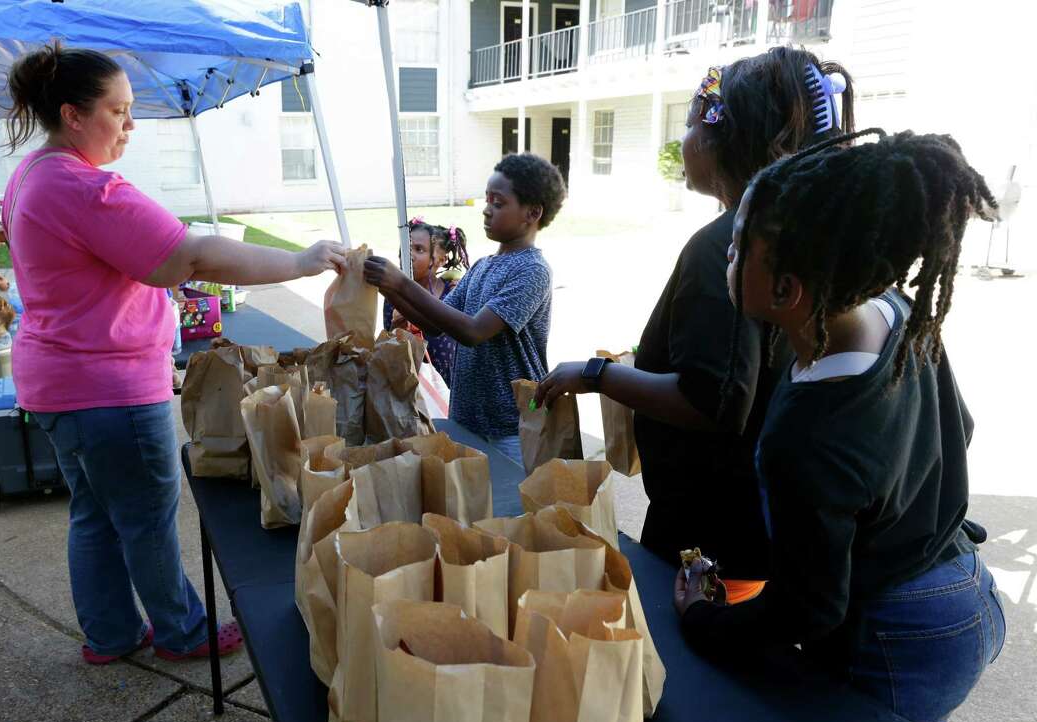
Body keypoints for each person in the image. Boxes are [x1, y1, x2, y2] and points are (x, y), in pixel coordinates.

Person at [1, 43, 345, 665]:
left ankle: (110, 634)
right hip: (107, 389)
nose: (130, 125)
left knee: (96, 515)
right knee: (146, 518)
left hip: (58, 382)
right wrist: (299, 262)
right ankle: (183, 632)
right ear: (74, 115)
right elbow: (189, 256)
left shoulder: (34, 172)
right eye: (119, 110)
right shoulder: (82, 186)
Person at [675, 130, 1006, 722]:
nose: (727, 251)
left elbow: (811, 609)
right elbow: (961, 426)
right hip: (969, 592)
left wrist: (702, 618)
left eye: (738, 245)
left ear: (786, 291)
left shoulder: (806, 432)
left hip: (901, 635)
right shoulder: (898, 312)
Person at [535, 47, 854, 594]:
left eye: (686, 125)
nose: (680, 143)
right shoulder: (806, 234)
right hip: (756, 528)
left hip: (709, 537)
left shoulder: (728, 246)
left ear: (719, 138)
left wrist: (595, 375)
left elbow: (716, 399)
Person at [364, 154, 566, 464]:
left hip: (512, 426)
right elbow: (435, 324)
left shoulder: (532, 270)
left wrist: (402, 283)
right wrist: (390, 287)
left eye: (498, 203)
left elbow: (473, 332)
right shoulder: (483, 267)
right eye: (487, 200)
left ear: (532, 212)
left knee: (513, 506)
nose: (486, 210)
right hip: (467, 416)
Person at [381, 219, 469, 386]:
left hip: (447, 390)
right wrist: (395, 326)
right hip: (408, 390)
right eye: (405, 247)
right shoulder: (393, 295)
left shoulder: (453, 293)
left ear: (441, 260)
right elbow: (387, 348)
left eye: (419, 249)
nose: (409, 255)